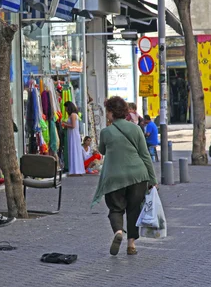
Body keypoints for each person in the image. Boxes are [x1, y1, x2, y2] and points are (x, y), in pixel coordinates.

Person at [92, 96, 157, 256]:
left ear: (112, 112)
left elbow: (102, 151)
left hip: (115, 177)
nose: (107, 115)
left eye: (108, 112)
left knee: (116, 208)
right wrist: (152, 179)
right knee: (134, 209)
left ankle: (118, 232)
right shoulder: (136, 129)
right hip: (138, 175)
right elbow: (145, 155)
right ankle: (131, 245)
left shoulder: (106, 132)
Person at [61, 101, 86, 176]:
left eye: (66, 108)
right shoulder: (74, 114)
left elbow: (73, 126)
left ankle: (75, 170)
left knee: (73, 151)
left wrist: (64, 124)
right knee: (75, 151)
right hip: (73, 135)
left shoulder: (72, 115)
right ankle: (77, 169)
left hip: (73, 135)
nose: (65, 109)